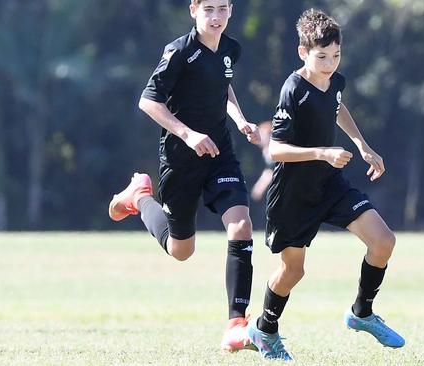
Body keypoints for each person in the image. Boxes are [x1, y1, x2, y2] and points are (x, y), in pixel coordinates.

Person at [246, 8, 405, 361]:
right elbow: (276, 149)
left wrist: (362, 145)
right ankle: (264, 329)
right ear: (303, 52)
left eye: (336, 55)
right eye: (322, 56)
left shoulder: (333, 80)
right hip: (293, 195)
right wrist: (322, 152)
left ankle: (361, 312)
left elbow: (336, 106)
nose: (330, 63)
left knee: (383, 241)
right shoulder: (293, 89)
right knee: (294, 271)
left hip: (329, 184)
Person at [107, 0, 260, 352]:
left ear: (231, 10)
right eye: (209, 9)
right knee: (181, 251)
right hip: (181, 159)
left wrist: (239, 120)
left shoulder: (229, 49)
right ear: (193, 10)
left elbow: (223, 87)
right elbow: (148, 101)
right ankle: (140, 197)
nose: (216, 16)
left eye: (222, 8)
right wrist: (188, 134)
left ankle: (236, 323)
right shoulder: (178, 51)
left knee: (241, 226)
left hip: (220, 154)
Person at [250, 121, 273, 202]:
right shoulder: (266, 151)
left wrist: (261, 185)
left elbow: (272, 171)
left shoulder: (273, 150)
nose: (259, 137)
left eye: (262, 135)